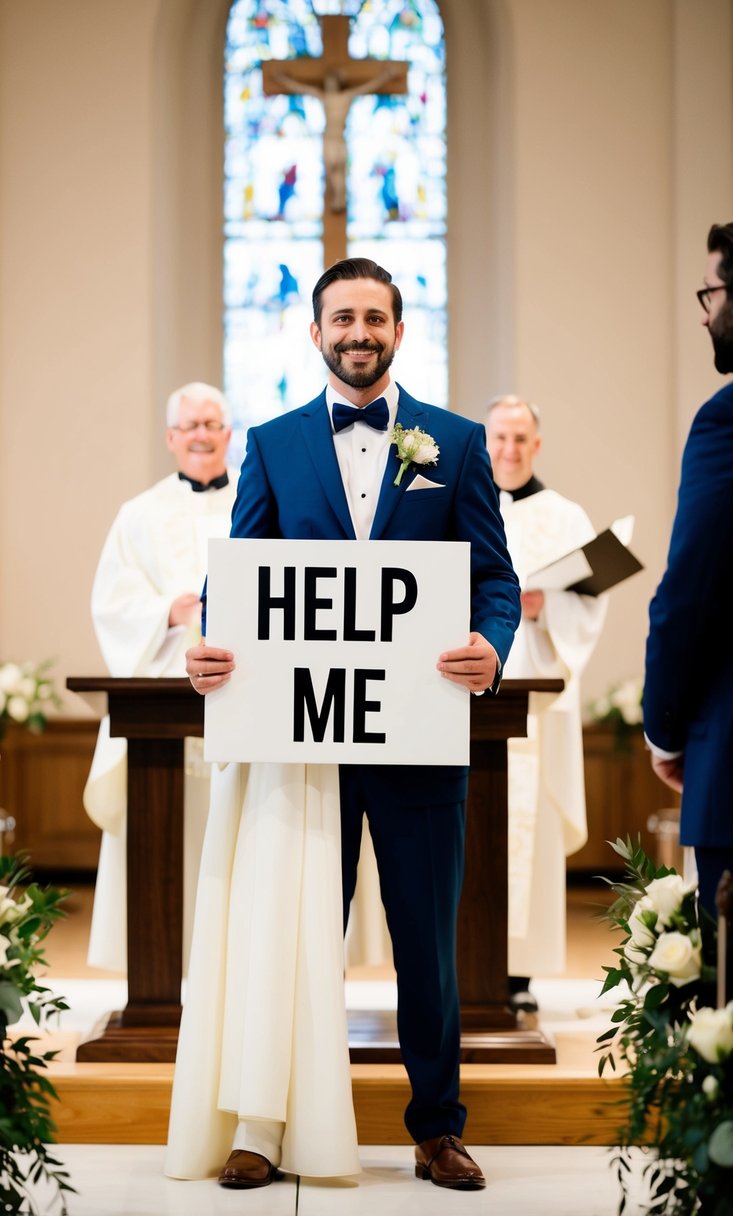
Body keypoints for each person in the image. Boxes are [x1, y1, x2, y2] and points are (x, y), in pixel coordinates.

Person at [167, 258, 520, 1190]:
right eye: (341, 318)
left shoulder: (454, 442)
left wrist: (491, 643)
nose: (358, 332)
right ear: (314, 333)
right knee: (291, 939)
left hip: (418, 738)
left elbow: (492, 574)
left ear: (399, 332)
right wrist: (210, 643)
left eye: (374, 318)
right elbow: (238, 579)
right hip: (305, 749)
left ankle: (436, 1128)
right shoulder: (273, 444)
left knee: (425, 949)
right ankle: (266, 1124)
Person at [82, 383, 236, 972]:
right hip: (163, 698)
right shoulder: (138, 515)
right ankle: (158, 972)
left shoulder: (257, 499)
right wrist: (166, 612)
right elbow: (110, 605)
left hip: (239, 701)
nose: (201, 434)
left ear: (228, 434)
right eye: (190, 425)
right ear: (171, 437)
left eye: (212, 423)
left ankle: (231, 969)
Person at [485, 395, 607, 1013]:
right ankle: (461, 963)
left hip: (534, 693)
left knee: (526, 834)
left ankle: (519, 976)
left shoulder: (566, 517)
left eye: (520, 439)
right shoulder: (459, 500)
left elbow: (589, 602)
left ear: (537, 445)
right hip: (470, 693)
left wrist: (545, 607)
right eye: (500, 437)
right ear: (485, 441)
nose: (509, 449)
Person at [644, 222, 733, 916]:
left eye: (707, 291)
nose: (703, 312)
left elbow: (688, 594)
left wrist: (664, 728)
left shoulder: (724, 420)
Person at [271, 66, 403, 213]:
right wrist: (282, 79)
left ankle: (340, 200)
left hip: (339, 138)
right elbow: (301, 89)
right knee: (332, 172)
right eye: (328, 82)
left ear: (338, 83)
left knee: (340, 173)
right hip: (329, 138)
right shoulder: (323, 96)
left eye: (332, 81)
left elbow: (367, 88)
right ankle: (337, 200)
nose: (330, 85)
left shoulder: (346, 96)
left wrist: (386, 76)